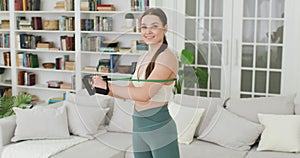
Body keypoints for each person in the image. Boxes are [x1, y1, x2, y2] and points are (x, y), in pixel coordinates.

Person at [92, 8, 180, 158]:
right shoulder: (143, 57)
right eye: (144, 27)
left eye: (154, 26)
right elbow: (131, 92)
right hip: (139, 127)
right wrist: (102, 88)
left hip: (160, 129)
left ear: (165, 28)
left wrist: (108, 87)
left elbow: (145, 94)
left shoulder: (167, 57)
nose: (148, 31)